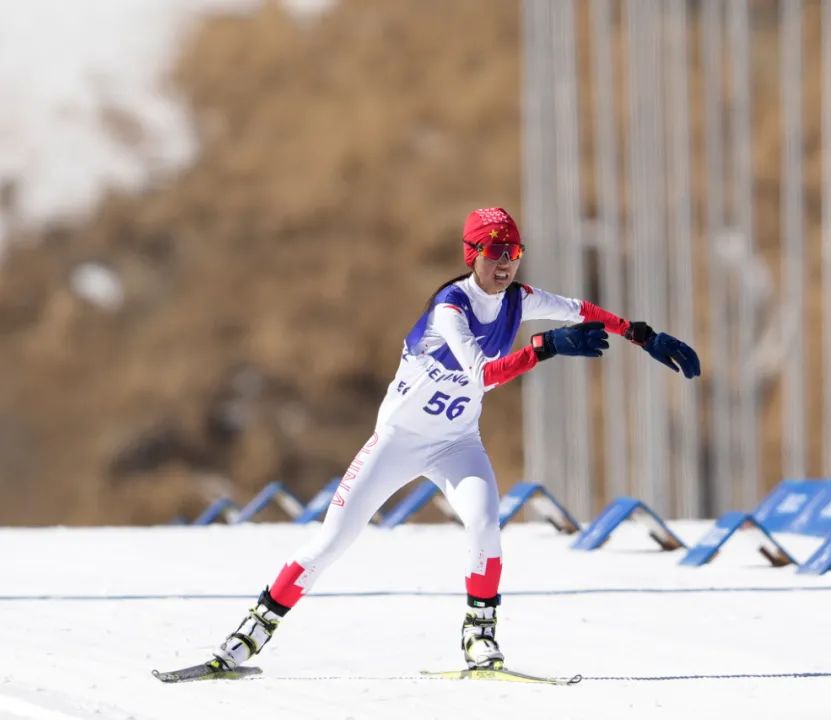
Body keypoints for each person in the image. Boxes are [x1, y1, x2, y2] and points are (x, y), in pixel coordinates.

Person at [210, 207, 700, 673]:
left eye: (514, 250)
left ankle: (479, 634)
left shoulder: (519, 300)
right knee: (331, 542)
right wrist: (544, 347)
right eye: (494, 250)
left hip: (456, 442)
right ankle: (248, 635)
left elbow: (580, 310)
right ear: (472, 254)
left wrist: (642, 334)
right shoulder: (452, 307)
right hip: (397, 441)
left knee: (486, 525)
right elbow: (482, 375)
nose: (505, 261)